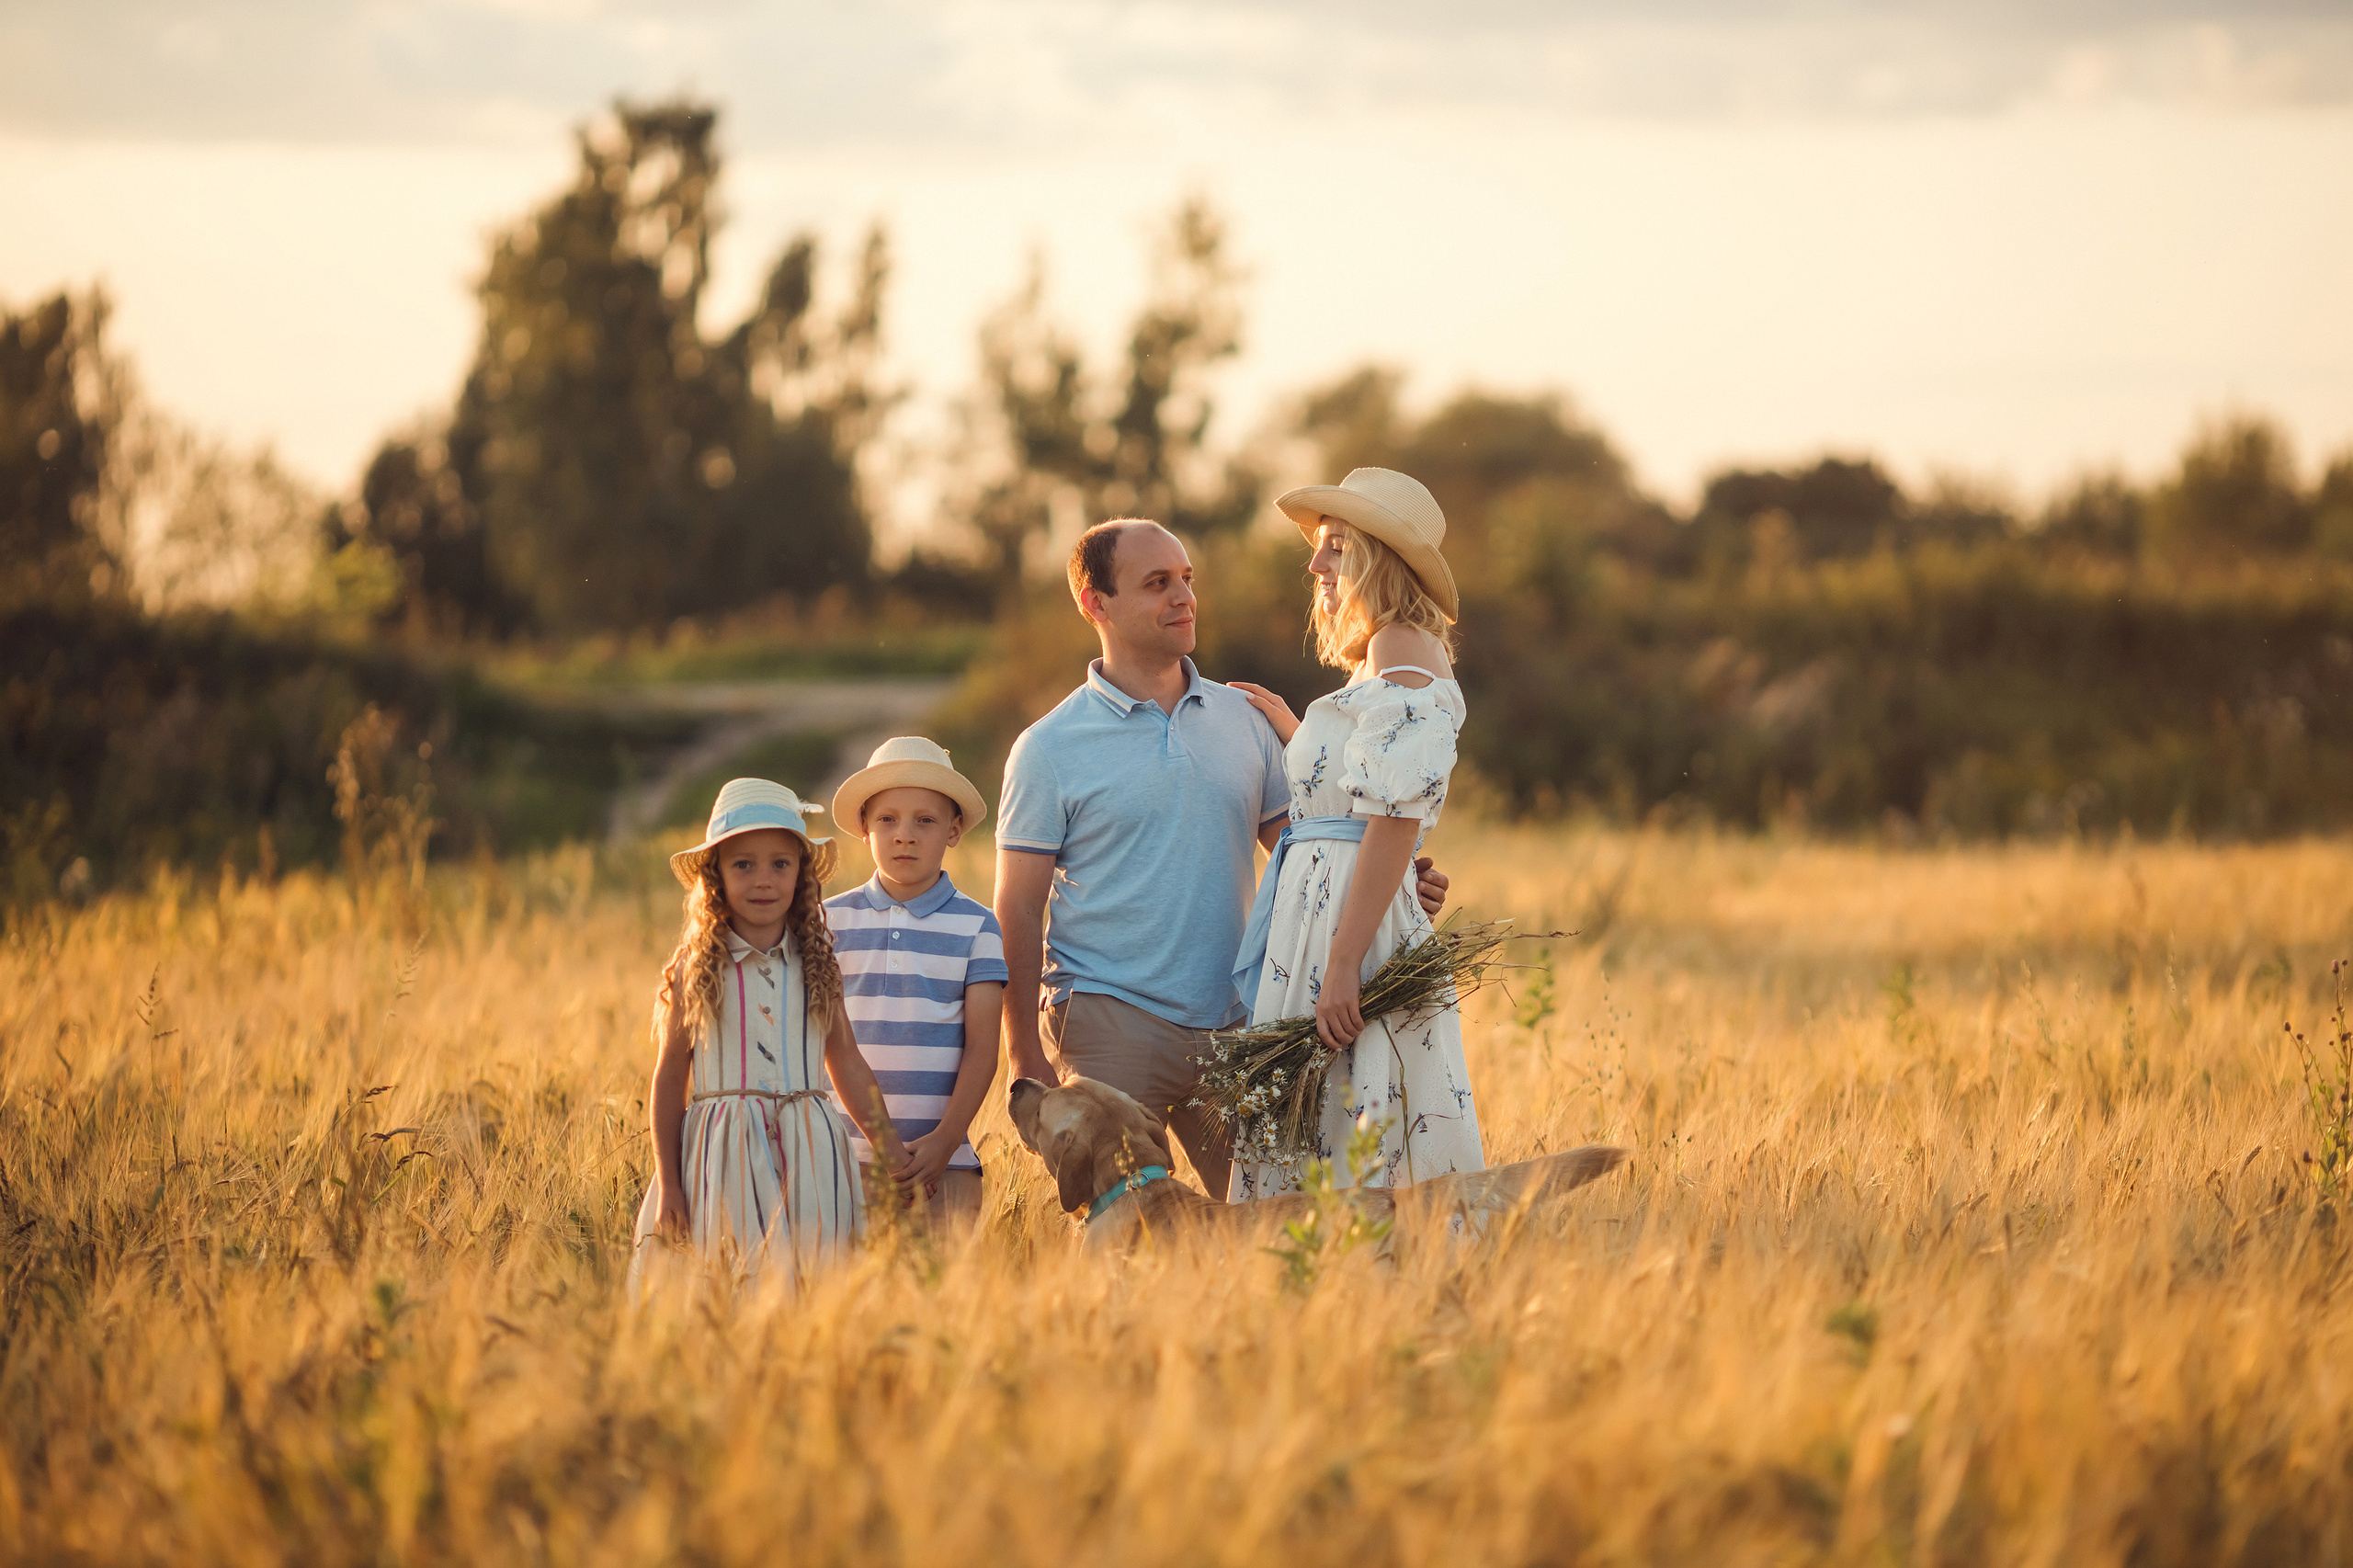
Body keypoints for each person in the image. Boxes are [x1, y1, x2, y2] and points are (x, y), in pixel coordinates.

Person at [995, 517, 1447, 1203]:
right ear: (1096, 603)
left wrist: (1395, 888)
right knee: (1124, 1231)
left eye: (1187, 580)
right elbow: (1020, 906)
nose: (1184, 597)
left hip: (1238, 1023)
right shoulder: (1048, 747)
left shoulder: (1246, 721)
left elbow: (1304, 852)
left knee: (1266, 1215)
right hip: (1109, 1020)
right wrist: (1025, 1046)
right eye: (1157, 584)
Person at [1226, 468, 1484, 1200]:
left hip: (1344, 933)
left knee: (1359, 1114)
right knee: (1333, 1119)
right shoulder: (1380, 657)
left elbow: (1393, 819)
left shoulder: (1404, 649)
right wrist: (1294, 726)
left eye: (1336, 546)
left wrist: (1343, 964)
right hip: (1323, 918)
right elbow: (1360, 797)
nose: (1316, 565)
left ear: (1378, 556)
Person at [631, 778, 908, 1290]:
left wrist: (886, 1143)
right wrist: (670, 1183)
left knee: (815, 1285)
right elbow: (669, 1078)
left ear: (801, 875)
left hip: (813, 1149)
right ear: (715, 878)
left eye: (781, 863)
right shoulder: (695, 969)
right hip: (724, 1153)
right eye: (743, 864)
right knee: (731, 1282)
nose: (764, 880)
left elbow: (845, 1059)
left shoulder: (817, 964)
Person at [825, 736, 1007, 1233]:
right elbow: (824, 1041)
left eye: (925, 821)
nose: (904, 835)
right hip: (840, 1158)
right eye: (887, 819)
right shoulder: (827, 921)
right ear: (864, 828)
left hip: (943, 1166)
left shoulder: (978, 927)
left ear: (953, 830)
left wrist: (946, 1140)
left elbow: (982, 1050)